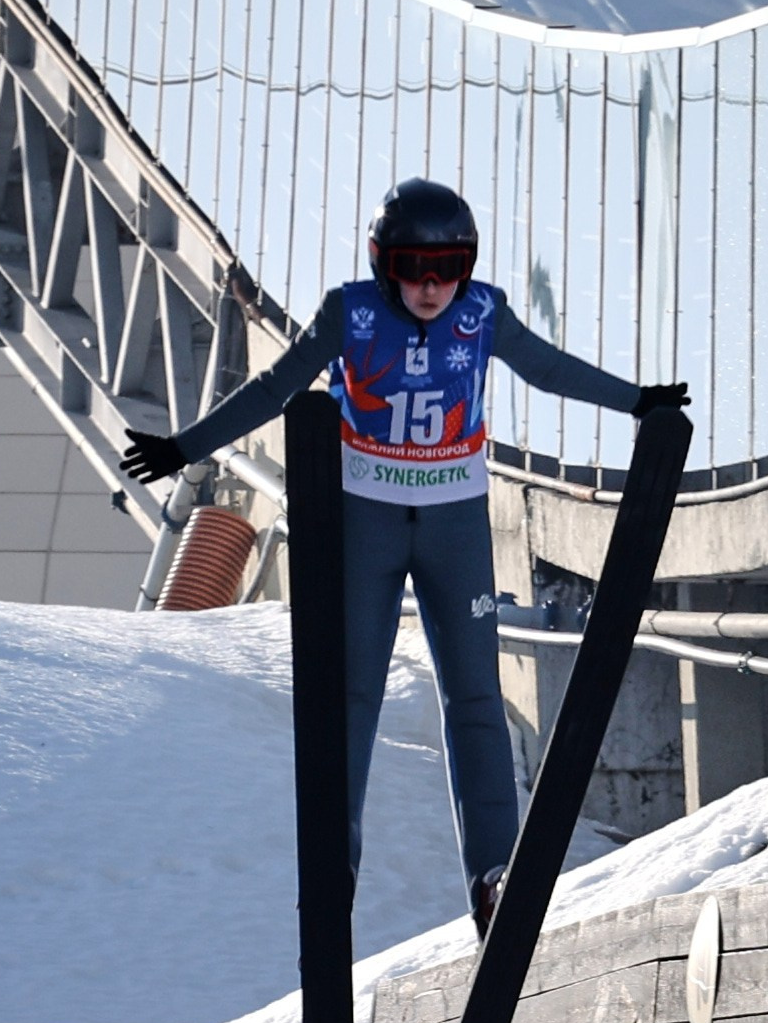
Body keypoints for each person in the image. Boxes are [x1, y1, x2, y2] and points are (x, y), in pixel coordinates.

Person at [121, 178, 688, 937]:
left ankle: (493, 872)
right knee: (350, 698)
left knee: (475, 700)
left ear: (468, 263)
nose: (430, 287)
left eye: (447, 265)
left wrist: (637, 399)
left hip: (453, 525)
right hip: (369, 523)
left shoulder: (480, 311)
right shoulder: (350, 313)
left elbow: (547, 368)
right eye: (413, 267)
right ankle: (334, 866)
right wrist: (184, 447)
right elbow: (276, 385)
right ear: (382, 262)